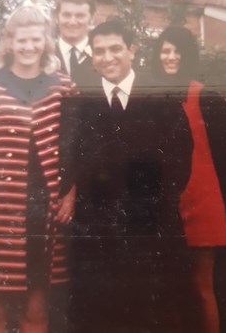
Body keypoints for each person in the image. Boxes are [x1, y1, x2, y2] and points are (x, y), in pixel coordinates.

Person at [71, 20, 194, 332]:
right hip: (100, 238)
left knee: (154, 315)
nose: (107, 57)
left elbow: (180, 162)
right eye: (99, 51)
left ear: (132, 50)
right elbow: (75, 163)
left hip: (151, 233)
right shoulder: (82, 102)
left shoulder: (160, 95)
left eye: (115, 49)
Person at [0, 5, 76, 333]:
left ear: (46, 42)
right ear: (9, 43)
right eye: (21, 40)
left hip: (45, 206)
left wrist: (72, 192)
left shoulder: (62, 85)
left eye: (35, 39)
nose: (28, 47)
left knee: (37, 301)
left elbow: (74, 145)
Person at [152, 26, 226, 333]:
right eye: (165, 50)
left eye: (176, 51)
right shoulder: (153, 94)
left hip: (201, 202)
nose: (170, 56)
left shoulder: (201, 94)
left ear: (187, 55)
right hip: (166, 204)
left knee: (202, 287)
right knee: (169, 289)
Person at [54, 0, 96, 89]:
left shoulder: (100, 55)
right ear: (56, 17)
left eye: (80, 16)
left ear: (92, 19)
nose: (72, 22)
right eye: (67, 15)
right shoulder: (44, 55)